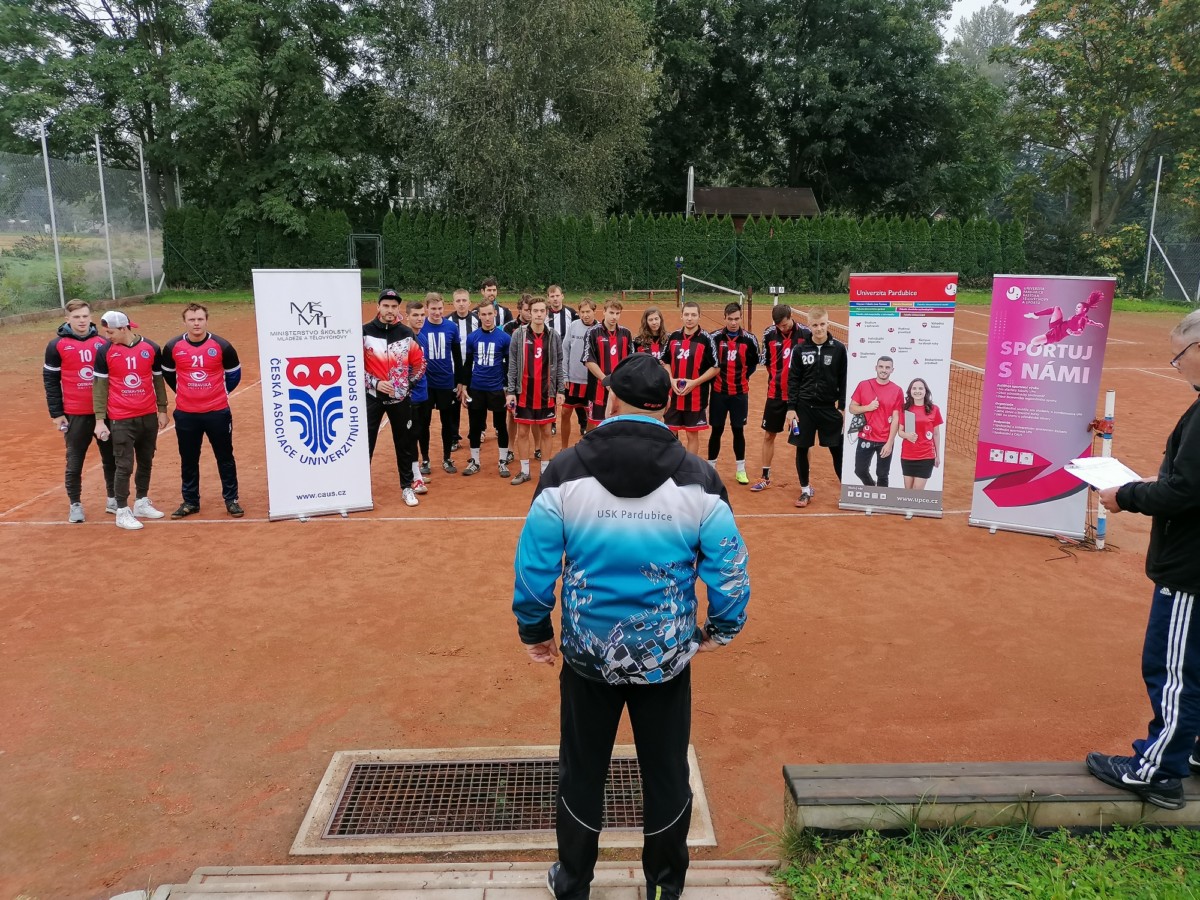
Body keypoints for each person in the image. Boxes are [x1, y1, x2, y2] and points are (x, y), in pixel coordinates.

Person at [512, 352, 750, 900]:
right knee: (666, 773)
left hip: (587, 655)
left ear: (611, 398)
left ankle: (573, 882)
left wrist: (535, 630)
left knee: (582, 770)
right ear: (666, 404)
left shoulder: (563, 470)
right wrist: (720, 629)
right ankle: (665, 887)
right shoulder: (699, 478)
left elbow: (534, 565)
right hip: (665, 657)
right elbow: (731, 571)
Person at [1090, 310, 1200, 811]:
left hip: (1191, 569)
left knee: (1173, 671)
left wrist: (1126, 495)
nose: (1176, 366)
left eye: (1179, 357)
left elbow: (1185, 493)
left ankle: (1157, 772)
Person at [162, 303, 244, 519]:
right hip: (186, 413)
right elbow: (169, 374)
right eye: (192, 319)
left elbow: (234, 374)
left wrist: (220, 392)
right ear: (184, 322)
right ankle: (190, 501)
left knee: (225, 456)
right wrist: (185, 392)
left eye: (200, 319)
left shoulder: (222, 346)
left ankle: (232, 499)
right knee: (189, 458)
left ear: (206, 320)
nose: (196, 323)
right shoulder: (172, 346)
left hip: (217, 411)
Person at [91, 311, 169, 530]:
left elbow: (158, 380)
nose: (107, 337)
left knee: (146, 460)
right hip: (121, 418)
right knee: (123, 465)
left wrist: (162, 409)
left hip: (148, 415)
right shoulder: (104, 351)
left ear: (124, 328)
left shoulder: (151, 348)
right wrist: (99, 420)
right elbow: (99, 388)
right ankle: (122, 511)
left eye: (111, 332)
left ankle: (141, 502)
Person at [43, 299, 116, 522]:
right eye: (76, 317)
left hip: (104, 413)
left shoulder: (103, 343)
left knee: (111, 459)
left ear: (91, 317)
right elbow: (50, 381)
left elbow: (113, 377)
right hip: (74, 414)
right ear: (67, 319)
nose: (82, 321)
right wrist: (57, 414)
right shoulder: (56, 346)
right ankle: (75, 504)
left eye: (85, 316)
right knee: (74, 462)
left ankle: (113, 499)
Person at [363, 289, 426, 508]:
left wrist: (407, 384)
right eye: (386, 306)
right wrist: (375, 383)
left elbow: (420, 363)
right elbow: (353, 366)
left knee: (404, 444)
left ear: (398, 308)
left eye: (394, 306)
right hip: (372, 398)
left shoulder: (406, 333)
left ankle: (407, 487)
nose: (390, 310)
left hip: (400, 399)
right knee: (366, 443)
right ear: (378, 307)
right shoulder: (364, 332)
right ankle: (362, 490)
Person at [785, 307, 846, 508]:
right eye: (815, 325)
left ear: (828, 324)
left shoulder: (839, 349)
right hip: (804, 408)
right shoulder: (800, 349)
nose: (819, 329)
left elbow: (844, 379)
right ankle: (805, 491)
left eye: (822, 324)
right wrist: (791, 408)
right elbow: (793, 380)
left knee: (837, 450)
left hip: (829, 408)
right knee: (802, 448)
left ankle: (846, 492)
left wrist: (842, 407)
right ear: (808, 325)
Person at [750, 304, 808, 492]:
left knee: (803, 441)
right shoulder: (769, 334)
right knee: (769, 435)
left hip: (799, 397)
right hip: (775, 394)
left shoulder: (806, 333)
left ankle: (806, 482)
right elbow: (766, 362)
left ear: (791, 317)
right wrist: (778, 378)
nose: (782, 328)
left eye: (785, 324)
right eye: (779, 326)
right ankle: (765, 477)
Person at [505, 297, 563, 485]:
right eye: (535, 311)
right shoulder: (518, 335)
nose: (538, 314)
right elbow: (512, 364)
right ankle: (524, 471)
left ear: (547, 313)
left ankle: (545, 472)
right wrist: (511, 391)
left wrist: (560, 389)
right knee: (522, 432)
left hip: (547, 392)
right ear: (529, 313)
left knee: (546, 431)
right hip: (524, 392)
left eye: (542, 311)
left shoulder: (554, 336)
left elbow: (559, 363)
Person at [707, 302, 760, 484]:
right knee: (717, 430)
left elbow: (753, 364)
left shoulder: (750, 340)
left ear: (741, 318)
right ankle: (711, 469)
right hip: (718, 393)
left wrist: (742, 377)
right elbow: (709, 363)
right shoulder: (714, 338)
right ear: (725, 318)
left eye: (737, 319)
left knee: (738, 430)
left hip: (739, 394)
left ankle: (741, 470)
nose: (733, 322)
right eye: (730, 319)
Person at [459, 300, 512, 476]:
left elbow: (509, 365)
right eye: (483, 314)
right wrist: (464, 385)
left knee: (501, 425)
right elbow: (468, 364)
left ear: (495, 314)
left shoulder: (504, 338)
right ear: (479, 316)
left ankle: (502, 461)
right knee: (475, 426)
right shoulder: (472, 337)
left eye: (490, 314)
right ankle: (475, 461)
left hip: (497, 389)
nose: (487, 318)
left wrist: (507, 387)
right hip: (477, 388)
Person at [663, 301, 718, 455]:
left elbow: (716, 367)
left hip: (696, 397)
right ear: (681, 316)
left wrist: (695, 383)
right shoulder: (673, 336)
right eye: (686, 314)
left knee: (692, 434)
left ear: (699, 317)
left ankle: (689, 466)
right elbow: (665, 361)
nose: (689, 318)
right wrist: (671, 379)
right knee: (670, 433)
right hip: (673, 396)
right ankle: (672, 465)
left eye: (693, 315)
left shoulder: (706, 339)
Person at [419, 292, 464, 474]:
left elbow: (457, 357)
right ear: (426, 308)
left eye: (439, 308)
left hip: (446, 382)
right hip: (426, 384)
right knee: (424, 422)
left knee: (448, 422)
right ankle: (425, 460)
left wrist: (460, 381)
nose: (437, 312)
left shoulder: (451, 327)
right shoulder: (420, 327)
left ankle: (447, 458)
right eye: (433, 309)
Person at [848, 356, 903, 488]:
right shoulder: (863, 385)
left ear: (892, 370)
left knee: (882, 474)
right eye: (881, 367)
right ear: (876, 368)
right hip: (865, 437)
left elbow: (896, 418)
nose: (884, 370)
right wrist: (867, 407)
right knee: (860, 470)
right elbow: (852, 408)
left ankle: (882, 497)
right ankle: (872, 488)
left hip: (884, 439)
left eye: (887, 367)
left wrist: (890, 443)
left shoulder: (897, 390)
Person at [582, 299, 633, 428]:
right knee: (594, 425)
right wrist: (606, 381)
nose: (614, 317)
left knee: (618, 425)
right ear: (604, 312)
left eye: (617, 313)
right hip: (597, 388)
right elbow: (588, 360)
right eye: (611, 312)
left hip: (620, 389)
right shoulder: (593, 332)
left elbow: (631, 362)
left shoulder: (626, 333)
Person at [559, 298, 596, 450]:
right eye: (582, 312)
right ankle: (564, 448)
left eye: (588, 312)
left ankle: (588, 449)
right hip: (573, 380)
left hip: (591, 381)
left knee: (591, 417)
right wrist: (564, 375)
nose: (585, 315)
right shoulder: (573, 326)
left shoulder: (599, 329)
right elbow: (565, 350)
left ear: (594, 311)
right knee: (565, 412)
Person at [448, 288, 480, 451]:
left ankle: (476, 434)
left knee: (474, 405)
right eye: (458, 301)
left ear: (469, 302)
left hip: (473, 370)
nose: (461, 304)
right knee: (453, 406)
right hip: (453, 370)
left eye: (464, 300)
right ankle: (454, 437)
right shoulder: (448, 321)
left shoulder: (477, 320)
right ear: (453, 303)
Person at [896, 378, 943, 491]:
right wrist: (907, 436)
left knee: (917, 491)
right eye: (914, 388)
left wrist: (937, 455)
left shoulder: (934, 409)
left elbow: (936, 434)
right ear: (910, 391)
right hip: (907, 455)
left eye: (921, 388)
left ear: (925, 391)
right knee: (908, 491)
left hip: (926, 456)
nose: (917, 391)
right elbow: (900, 432)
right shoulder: (905, 409)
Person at [406, 299, 433, 494]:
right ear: (407, 317)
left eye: (422, 315)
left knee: (422, 430)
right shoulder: (404, 338)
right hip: (410, 395)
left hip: (423, 393)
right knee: (411, 434)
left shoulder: (422, 337)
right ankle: (415, 477)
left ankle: (417, 472)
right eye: (415, 315)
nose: (419, 318)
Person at [1025, 290, 1105, 348]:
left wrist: (1073, 333)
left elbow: (1080, 332)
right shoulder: (1083, 318)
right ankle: (1035, 314)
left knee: (1033, 341)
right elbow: (1089, 321)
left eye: (1078, 307)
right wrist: (1096, 324)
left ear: (1084, 309)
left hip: (1056, 335)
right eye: (1076, 307)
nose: (1076, 309)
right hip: (1057, 325)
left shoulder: (1082, 319)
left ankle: (1042, 343)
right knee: (1056, 308)